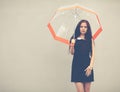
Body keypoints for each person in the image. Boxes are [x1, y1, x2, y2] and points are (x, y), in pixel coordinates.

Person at [69, 20, 95, 92]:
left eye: (85, 27)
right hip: (76, 66)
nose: (83, 28)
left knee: (87, 91)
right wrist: (72, 46)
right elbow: (72, 53)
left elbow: (93, 54)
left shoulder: (90, 39)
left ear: (87, 28)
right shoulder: (74, 38)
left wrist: (90, 67)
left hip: (87, 67)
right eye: (81, 27)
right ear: (78, 28)